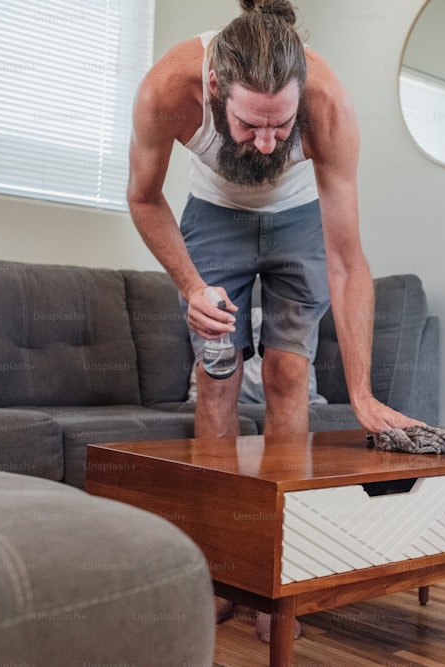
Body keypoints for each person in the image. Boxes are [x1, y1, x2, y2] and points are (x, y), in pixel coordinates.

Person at [126, 0, 425, 642]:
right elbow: (143, 198)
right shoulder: (166, 89)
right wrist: (191, 286)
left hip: (299, 223)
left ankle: (274, 580)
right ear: (213, 89)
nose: (266, 142)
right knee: (217, 379)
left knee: (290, 376)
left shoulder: (330, 107)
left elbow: (347, 263)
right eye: (248, 124)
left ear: (301, 99)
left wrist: (364, 392)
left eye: (280, 125)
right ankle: (218, 572)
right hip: (211, 219)